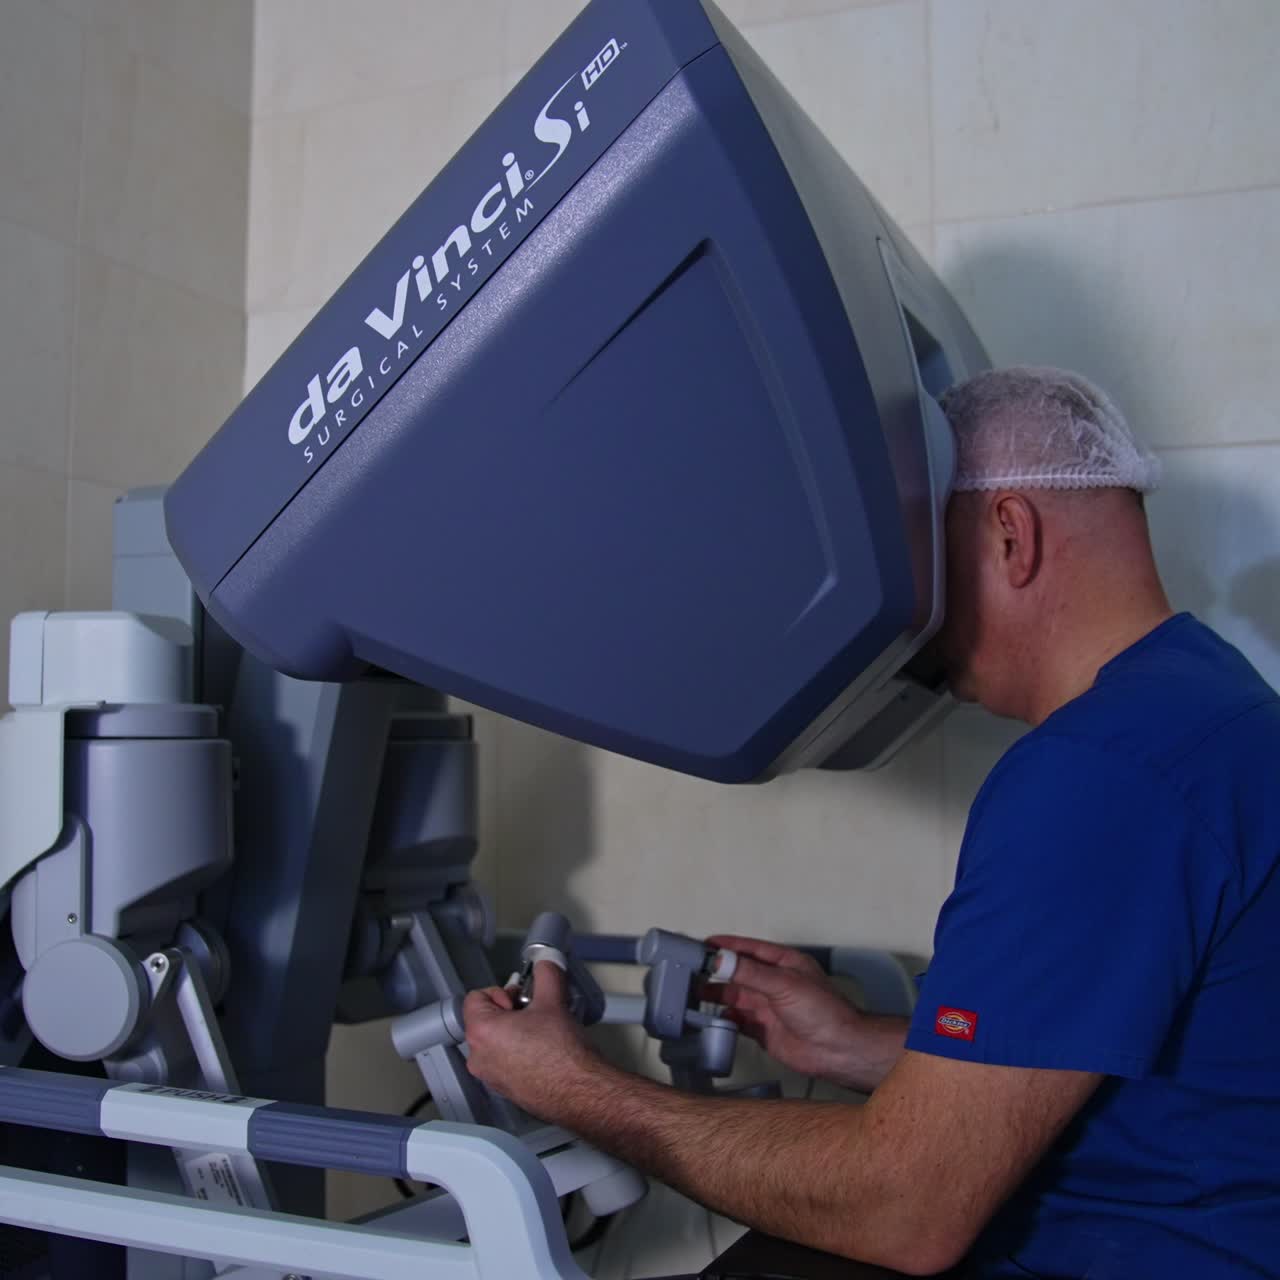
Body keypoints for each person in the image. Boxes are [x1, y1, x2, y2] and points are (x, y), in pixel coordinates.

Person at [464, 367, 1280, 1279]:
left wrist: (573, 1087)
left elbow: (905, 1211)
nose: (913, 613)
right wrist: (851, 1043)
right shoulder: (1216, 708)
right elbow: (1127, 1078)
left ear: (1010, 535)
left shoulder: (1096, 774)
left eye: (925, 556)